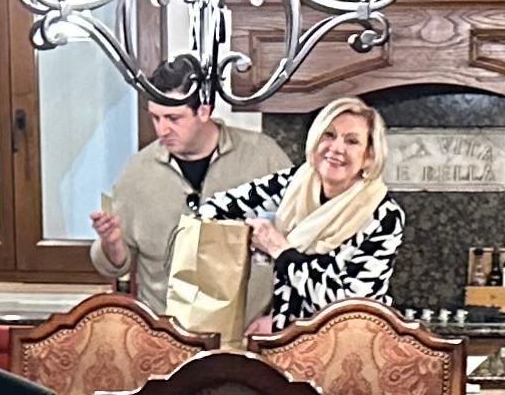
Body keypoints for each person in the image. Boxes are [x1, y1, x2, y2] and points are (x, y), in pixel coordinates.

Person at [87, 68, 292, 318]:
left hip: (249, 329)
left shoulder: (264, 159)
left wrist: (275, 318)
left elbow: (302, 243)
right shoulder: (137, 173)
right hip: (165, 330)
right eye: (156, 118)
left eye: (173, 118)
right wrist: (111, 244)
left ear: (204, 111)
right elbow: (116, 265)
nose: (162, 130)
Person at [188, 95, 403, 331]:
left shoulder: (383, 216)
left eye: (352, 141)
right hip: (285, 337)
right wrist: (250, 234)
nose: (336, 148)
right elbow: (213, 210)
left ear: (369, 155)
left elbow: (348, 307)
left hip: (348, 341)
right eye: (328, 135)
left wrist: (280, 251)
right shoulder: (293, 184)